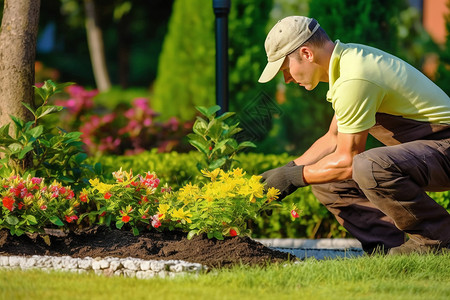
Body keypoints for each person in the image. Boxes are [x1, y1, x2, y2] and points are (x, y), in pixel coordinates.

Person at [258, 16, 450, 255]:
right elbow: (333, 138)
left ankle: (438, 240)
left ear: (306, 54)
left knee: (368, 165)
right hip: (430, 152)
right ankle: (390, 246)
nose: (286, 79)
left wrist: (293, 177)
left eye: (286, 69)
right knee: (327, 178)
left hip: (445, 146)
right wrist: (286, 171)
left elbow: (348, 160)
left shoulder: (355, 76)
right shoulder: (347, 63)